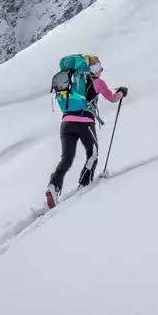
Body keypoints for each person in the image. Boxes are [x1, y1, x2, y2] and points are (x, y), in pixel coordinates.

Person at [46, 55, 127, 208]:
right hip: (85, 123)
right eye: (99, 68)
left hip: (66, 123)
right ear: (93, 69)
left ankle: (54, 186)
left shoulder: (69, 82)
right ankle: (85, 184)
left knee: (66, 158)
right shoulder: (97, 82)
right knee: (93, 154)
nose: (101, 71)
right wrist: (122, 92)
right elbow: (112, 98)